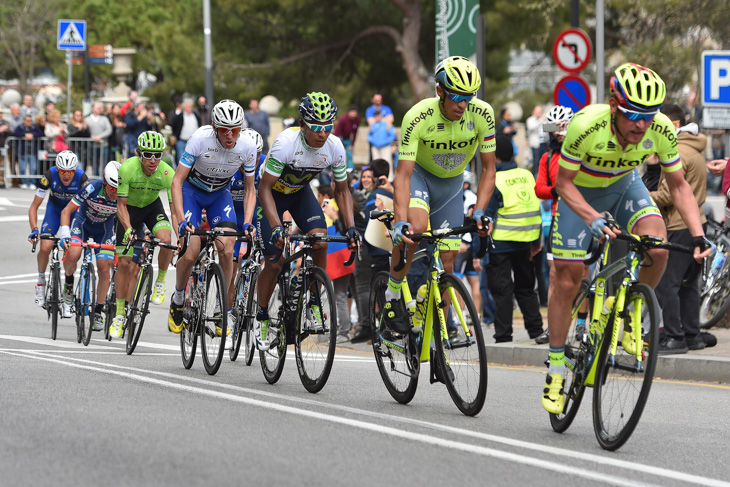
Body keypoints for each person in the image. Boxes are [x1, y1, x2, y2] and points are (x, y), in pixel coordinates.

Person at [541, 63, 713, 415]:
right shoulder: (586, 124)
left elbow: (679, 186)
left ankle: (633, 310)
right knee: (566, 280)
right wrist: (591, 217)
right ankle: (556, 370)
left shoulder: (661, 129)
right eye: (633, 114)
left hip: (623, 186)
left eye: (648, 116)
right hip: (582, 195)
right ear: (614, 105)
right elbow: (563, 184)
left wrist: (698, 235)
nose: (640, 124)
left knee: (658, 245)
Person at [379, 55, 497, 334]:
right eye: (457, 96)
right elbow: (403, 175)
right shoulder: (418, 116)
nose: (463, 104)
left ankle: (439, 331)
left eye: (469, 97)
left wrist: (480, 210)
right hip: (420, 176)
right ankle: (393, 294)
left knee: (448, 260)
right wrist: (398, 221)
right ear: (440, 91)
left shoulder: (483, 114)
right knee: (415, 228)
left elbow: (489, 169)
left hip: (452, 185)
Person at [254, 92, 360, 351]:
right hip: (272, 196)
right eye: (316, 127)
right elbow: (264, 189)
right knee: (275, 262)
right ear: (303, 124)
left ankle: (313, 299)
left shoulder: (335, 146)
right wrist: (277, 225)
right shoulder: (285, 144)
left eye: (328, 126)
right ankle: (262, 316)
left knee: (320, 241)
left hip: (299, 194)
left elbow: (342, 190)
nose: (322, 133)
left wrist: (351, 227)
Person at [168, 99, 258, 336]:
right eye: (224, 130)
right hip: (192, 193)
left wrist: (247, 221)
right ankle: (178, 300)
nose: (230, 136)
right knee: (191, 250)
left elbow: (250, 189)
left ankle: (221, 309)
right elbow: (176, 182)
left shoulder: (247, 146)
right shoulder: (199, 138)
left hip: (219, 195)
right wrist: (179, 219)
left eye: (235, 130)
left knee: (227, 249)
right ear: (215, 128)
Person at [650, 104, 711, 353]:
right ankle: (692, 334)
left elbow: (667, 194)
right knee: (688, 285)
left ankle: (675, 337)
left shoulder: (675, 152)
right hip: (698, 223)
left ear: (671, 125)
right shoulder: (695, 147)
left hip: (678, 223)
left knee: (668, 284)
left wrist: (641, 195)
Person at [110, 132, 176, 338]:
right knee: (124, 263)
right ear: (139, 154)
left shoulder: (167, 172)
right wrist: (129, 228)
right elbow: (120, 205)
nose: (153, 160)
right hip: (129, 210)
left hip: (151, 208)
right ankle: (119, 315)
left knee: (166, 241)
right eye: (148, 155)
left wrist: (180, 232)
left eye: (158, 155)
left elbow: (174, 210)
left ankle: (159, 283)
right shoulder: (128, 168)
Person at [482, 135, 546, 343]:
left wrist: (478, 250)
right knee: (527, 288)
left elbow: (486, 216)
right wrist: (537, 241)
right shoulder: (527, 175)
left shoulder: (494, 179)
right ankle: (536, 331)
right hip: (527, 240)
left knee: (502, 291)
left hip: (500, 243)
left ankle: (503, 335)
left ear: (495, 157)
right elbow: (533, 207)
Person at [58, 161, 120, 329]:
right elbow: (66, 211)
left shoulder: (123, 193)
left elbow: (130, 216)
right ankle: (69, 284)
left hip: (104, 230)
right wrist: (64, 233)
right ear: (105, 182)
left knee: (104, 268)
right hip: (83, 224)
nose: (116, 193)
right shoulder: (91, 187)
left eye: (118, 189)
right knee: (73, 253)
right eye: (112, 188)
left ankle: (98, 310)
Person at [27, 151, 89, 306]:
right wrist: (34, 229)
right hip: (54, 211)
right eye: (62, 171)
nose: (66, 175)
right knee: (46, 246)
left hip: (74, 213)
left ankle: (68, 285)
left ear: (75, 170)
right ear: (57, 168)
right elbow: (34, 207)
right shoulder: (49, 175)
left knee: (72, 251)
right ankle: (41, 283)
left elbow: (89, 205)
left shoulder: (82, 178)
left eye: (70, 172)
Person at [534, 105, 574, 312]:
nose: (558, 133)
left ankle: (582, 325)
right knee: (553, 273)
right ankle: (553, 322)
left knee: (582, 273)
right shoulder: (547, 157)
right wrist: (556, 191)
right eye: (554, 129)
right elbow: (539, 189)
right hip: (558, 219)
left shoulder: (582, 156)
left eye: (562, 128)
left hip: (581, 219)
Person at [351, 159, 394, 343]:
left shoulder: (375, 196)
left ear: (375, 176)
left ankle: (385, 330)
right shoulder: (392, 192)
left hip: (378, 250)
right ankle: (386, 328)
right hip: (392, 248)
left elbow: (371, 224)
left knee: (381, 290)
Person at [13, 115, 44, 189]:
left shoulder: (34, 127)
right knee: (23, 168)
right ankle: (23, 182)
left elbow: (41, 134)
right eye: (28, 120)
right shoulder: (20, 127)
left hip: (32, 151)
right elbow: (15, 134)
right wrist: (24, 135)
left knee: (33, 168)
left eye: (30, 120)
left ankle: (32, 183)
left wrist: (33, 135)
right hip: (22, 152)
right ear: (24, 121)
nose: (29, 122)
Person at [367, 110, 397, 179]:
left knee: (387, 162)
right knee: (375, 163)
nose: (377, 117)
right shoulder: (373, 126)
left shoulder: (387, 125)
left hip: (385, 147)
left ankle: (389, 178)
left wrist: (385, 142)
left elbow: (392, 135)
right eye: (376, 116)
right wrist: (374, 142)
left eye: (378, 116)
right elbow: (369, 136)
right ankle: (377, 178)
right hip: (375, 147)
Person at [85, 102, 113, 175]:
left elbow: (109, 130)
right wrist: (92, 137)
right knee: (94, 164)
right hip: (92, 145)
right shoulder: (87, 119)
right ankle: (96, 180)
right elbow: (85, 132)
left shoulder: (104, 118)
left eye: (101, 108)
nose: (101, 109)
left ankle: (104, 179)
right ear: (93, 109)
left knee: (104, 164)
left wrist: (100, 136)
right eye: (99, 108)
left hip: (103, 145)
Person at [171, 99, 200, 167]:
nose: (190, 108)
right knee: (181, 159)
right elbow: (174, 126)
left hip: (193, 141)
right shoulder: (179, 116)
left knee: (194, 160)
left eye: (191, 106)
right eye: (188, 106)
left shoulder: (195, 115)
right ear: (184, 107)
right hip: (182, 141)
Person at [333, 105, 360, 171]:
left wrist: (352, 145)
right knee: (339, 154)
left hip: (347, 138)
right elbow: (338, 131)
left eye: (355, 112)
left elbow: (355, 133)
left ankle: (350, 170)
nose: (353, 114)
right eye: (352, 112)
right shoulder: (343, 118)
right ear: (348, 112)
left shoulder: (357, 119)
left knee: (349, 153)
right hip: (339, 137)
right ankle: (337, 169)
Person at [525, 105, 547, 176]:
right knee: (536, 162)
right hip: (535, 144)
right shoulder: (530, 120)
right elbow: (531, 128)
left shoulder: (543, 120)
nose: (539, 113)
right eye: (537, 111)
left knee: (545, 161)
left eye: (540, 111)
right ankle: (533, 177)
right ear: (533, 112)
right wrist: (541, 120)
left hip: (544, 143)